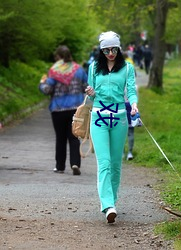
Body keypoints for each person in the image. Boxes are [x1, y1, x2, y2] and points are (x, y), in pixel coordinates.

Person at [85, 31, 138, 223]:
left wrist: (134, 104)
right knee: (104, 162)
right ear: (101, 50)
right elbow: (91, 97)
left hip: (119, 118)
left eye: (114, 49)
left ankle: (112, 201)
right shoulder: (93, 68)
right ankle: (107, 205)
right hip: (98, 117)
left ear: (119, 48)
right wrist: (90, 92)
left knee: (116, 163)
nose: (110, 53)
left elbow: (131, 90)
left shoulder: (127, 68)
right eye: (106, 50)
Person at [39, 45, 88, 175]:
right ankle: (75, 163)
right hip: (75, 109)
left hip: (58, 109)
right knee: (74, 137)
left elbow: (47, 90)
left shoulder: (54, 71)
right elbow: (86, 87)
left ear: (58, 57)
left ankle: (60, 166)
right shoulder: (79, 70)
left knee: (60, 138)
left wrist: (42, 83)